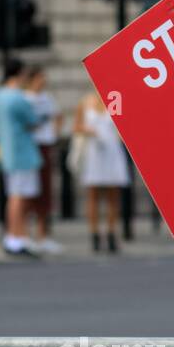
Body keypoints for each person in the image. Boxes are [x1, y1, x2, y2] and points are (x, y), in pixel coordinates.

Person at [0, 59, 45, 257]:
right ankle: (18, 236)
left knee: (14, 195)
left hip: (7, 150)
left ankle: (13, 236)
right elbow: (33, 120)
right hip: (22, 151)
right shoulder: (18, 97)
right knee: (20, 196)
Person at [74, 90, 129, 253]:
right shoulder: (85, 101)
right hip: (94, 152)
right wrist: (88, 130)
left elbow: (121, 126)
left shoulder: (116, 99)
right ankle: (94, 233)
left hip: (112, 151)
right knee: (93, 194)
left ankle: (111, 232)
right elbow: (76, 126)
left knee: (113, 195)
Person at [23, 66, 63, 255]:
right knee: (28, 192)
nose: (43, 81)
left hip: (44, 146)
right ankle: (25, 234)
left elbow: (58, 116)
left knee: (45, 192)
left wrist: (54, 134)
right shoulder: (24, 99)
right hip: (30, 147)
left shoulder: (48, 98)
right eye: (40, 78)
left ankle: (42, 235)